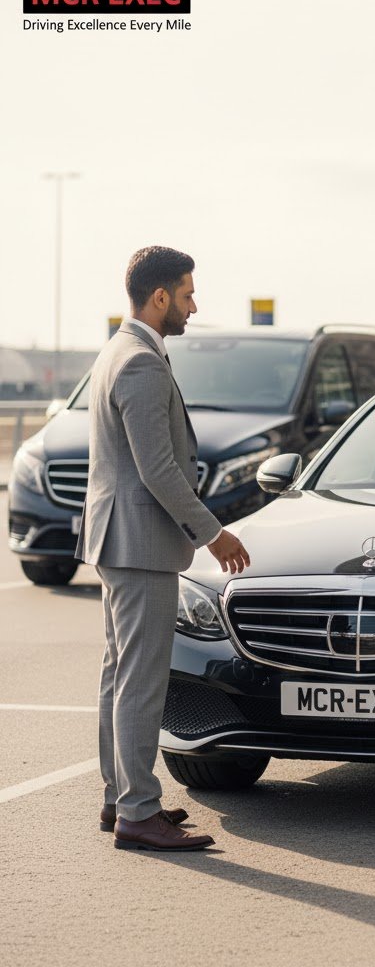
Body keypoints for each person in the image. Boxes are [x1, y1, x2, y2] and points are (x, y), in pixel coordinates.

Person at [76, 246, 250, 851]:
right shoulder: (142, 363)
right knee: (142, 679)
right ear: (159, 298)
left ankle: (117, 797)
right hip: (141, 541)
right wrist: (214, 532)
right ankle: (138, 812)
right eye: (187, 292)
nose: (193, 304)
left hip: (117, 537)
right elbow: (158, 470)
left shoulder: (116, 350)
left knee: (119, 674)